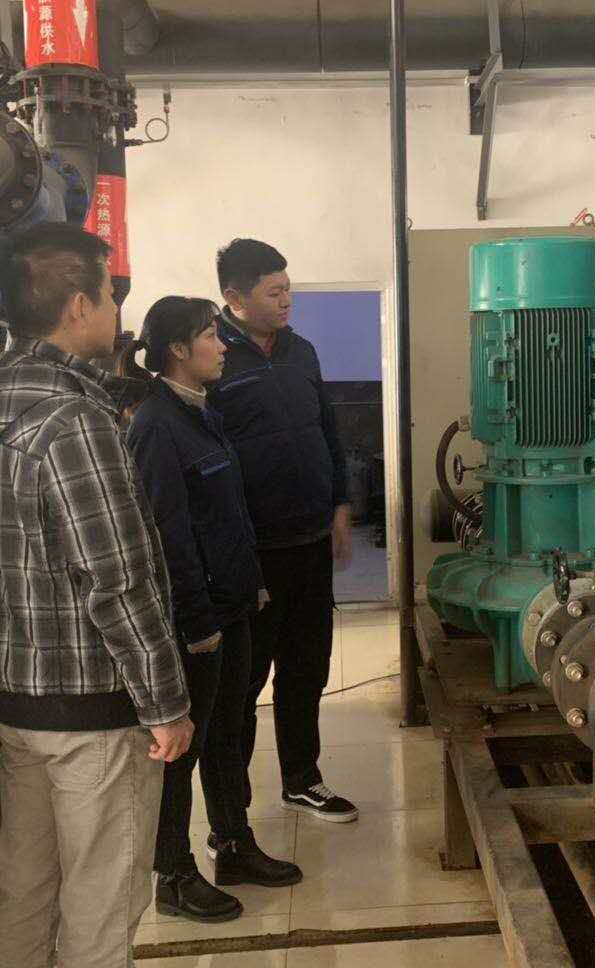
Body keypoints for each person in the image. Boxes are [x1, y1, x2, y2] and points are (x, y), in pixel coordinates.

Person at [0, 223, 195, 968]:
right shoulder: (72, 422)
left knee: (29, 884)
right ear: (79, 306)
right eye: (111, 295)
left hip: (15, 702)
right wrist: (165, 703)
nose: (117, 310)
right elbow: (116, 576)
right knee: (101, 902)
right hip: (87, 708)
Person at [120, 296, 303, 919]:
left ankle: (233, 843)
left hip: (232, 604)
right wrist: (197, 625)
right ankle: (172, 875)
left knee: (229, 733)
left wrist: (251, 583)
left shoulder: (201, 412)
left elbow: (227, 513)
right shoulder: (155, 425)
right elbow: (168, 536)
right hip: (197, 619)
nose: (223, 346)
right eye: (210, 336)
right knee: (183, 749)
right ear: (178, 349)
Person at [210, 238, 358, 823]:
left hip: (310, 542)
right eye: (274, 292)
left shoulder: (301, 351)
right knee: (244, 682)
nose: (286, 300)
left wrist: (339, 503)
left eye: (288, 288)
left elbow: (327, 431)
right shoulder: (213, 358)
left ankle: (302, 778)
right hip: (254, 551)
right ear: (235, 297)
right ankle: (233, 810)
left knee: (307, 668)